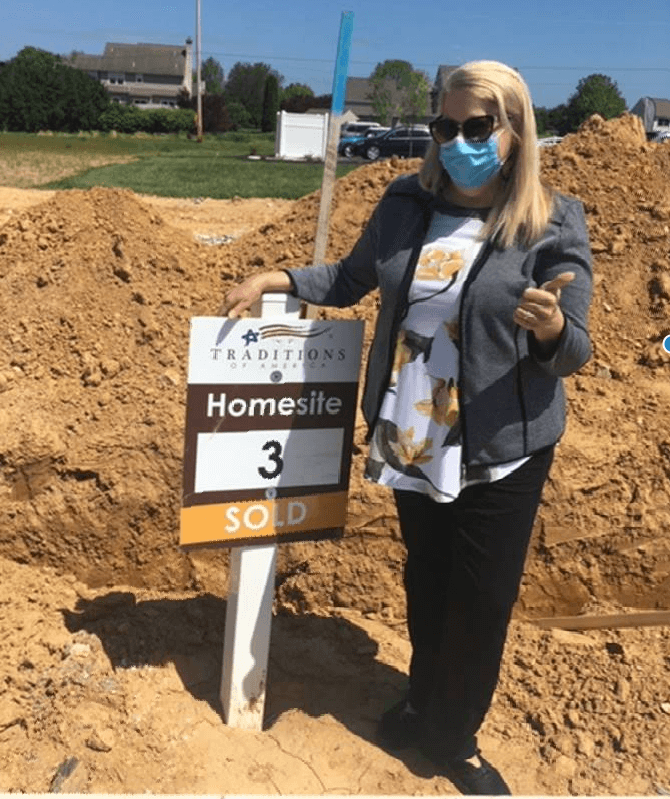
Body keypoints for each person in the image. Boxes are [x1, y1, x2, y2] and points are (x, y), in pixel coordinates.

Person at [220, 61, 593, 795]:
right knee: (427, 579)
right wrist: (281, 279)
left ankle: (455, 738)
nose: (459, 143)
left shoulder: (551, 220)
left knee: (480, 602)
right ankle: (423, 699)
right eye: (445, 127)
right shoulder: (404, 203)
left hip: (502, 445)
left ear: (515, 133)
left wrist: (550, 327)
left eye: (478, 128)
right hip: (415, 434)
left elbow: (574, 350)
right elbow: (353, 277)